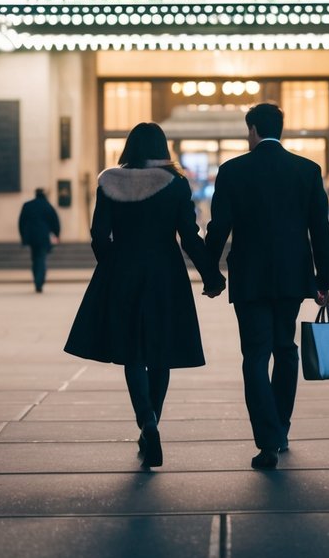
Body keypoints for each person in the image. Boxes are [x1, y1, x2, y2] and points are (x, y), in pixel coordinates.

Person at [65, 123, 225, 469]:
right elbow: (188, 236)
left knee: (132, 353)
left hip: (122, 272)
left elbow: (98, 235)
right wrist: (211, 276)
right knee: (161, 352)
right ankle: (154, 419)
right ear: (162, 147)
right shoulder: (175, 184)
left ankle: (146, 421)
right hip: (165, 273)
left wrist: (111, 266)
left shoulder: (109, 182)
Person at [204, 103, 329, 470]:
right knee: (285, 348)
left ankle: (267, 440)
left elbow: (219, 228)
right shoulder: (307, 170)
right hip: (293, 276)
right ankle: (282, 426)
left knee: (255, 356)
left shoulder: (232, 171)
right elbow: (319, 230)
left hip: (250, 277)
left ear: (253, 130)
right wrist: (323, 281)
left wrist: (210, 274)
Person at [19, 188, 61, 293]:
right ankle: (39, 282)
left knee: (35, 258)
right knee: (41, 258)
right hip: (44, 237)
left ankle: (37, 280)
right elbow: (55, 223)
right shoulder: (48, 206)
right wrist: (56, 235)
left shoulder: (27, 205)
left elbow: (21, 222)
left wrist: (23, 236)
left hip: (31, 237)